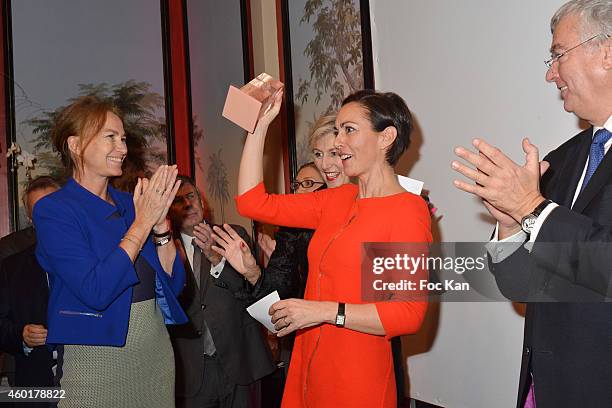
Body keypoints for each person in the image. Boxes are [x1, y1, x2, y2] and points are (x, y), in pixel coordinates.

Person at [452, 1, 612, 406]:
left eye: (559, 55)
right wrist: (508, 226)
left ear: (605, 51)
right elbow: (524, 289)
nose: (550, 73)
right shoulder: (564, 159)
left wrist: (533, 209)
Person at [232, 89, 432, 407]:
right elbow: (251, 202)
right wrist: (258, 129)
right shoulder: (335, 200)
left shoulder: (407, 210)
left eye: (349, 130)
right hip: (308, 366)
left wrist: (323, 311)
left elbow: (406, 313)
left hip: (357, 378)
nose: (338, 141)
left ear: (386, 137)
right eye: (337, 130)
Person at [33, 96, 186, 408]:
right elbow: (96, 289)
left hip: (154, 353)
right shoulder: (55, 210)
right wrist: (143, 223)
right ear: (75, 145)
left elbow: (173, 285)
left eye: (124, 138)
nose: (123, 148)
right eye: (110, 137)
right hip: (94, 359)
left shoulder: (133, 204)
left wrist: (160, 229)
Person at [167, 175, 275, 408]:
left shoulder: (232, 236)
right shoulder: (164, 249)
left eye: (191, 196)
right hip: (191, 371)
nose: (187, 204)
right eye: (178, 200)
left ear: (202, 202)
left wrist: (215, 257)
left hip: (240, 362)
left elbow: (249, 290)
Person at [0, 176, 60, 408]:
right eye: (40, 213)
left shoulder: (94, 258)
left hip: (93, 378)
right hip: (34, 388)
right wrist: (21, 335)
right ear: (30, 220)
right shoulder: (11, 267)